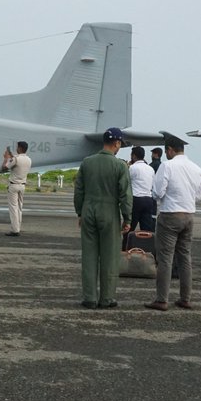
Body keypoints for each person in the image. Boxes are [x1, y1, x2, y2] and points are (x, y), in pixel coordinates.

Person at [74, 127, 132, 308]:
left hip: (89, 209)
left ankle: (89, 297)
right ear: (116, 143)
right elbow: (125, 195)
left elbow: (79, 190)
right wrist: (127, 218)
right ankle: (107, 298)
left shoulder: (87, 162)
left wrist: (80, 212)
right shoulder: (120, 165)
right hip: (109, 212)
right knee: (110, 256)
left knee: (89, 256)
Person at [146, 134, 201, 311]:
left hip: (170, 214)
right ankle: (185, 298)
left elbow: (158, 192)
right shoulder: (197, 168)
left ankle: (162, 299)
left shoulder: (167, 166)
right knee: (185, 257)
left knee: (165, 258)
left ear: (170, 150)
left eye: (167, 151)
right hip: (189, 215)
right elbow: (198, 195)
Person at [3, 141, 32, 236]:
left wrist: (6, 158)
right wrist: (11, 156)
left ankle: (15, 230)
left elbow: (4, 168)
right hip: (22, 185)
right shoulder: (28, 159)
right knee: (19, 208)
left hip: (14, 185)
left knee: (13, 208)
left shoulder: (16, 159)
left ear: (19, 148)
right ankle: (18, 227)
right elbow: (16, 161)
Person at [128, 146, 155, 231]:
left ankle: (127, 244)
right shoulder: (150, 169)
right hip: (148, 199)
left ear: (134, 156)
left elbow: (127, 182)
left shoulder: (132, 168)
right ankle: (145, 244)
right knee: (146, 229)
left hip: (136, 199)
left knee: (130, 228)